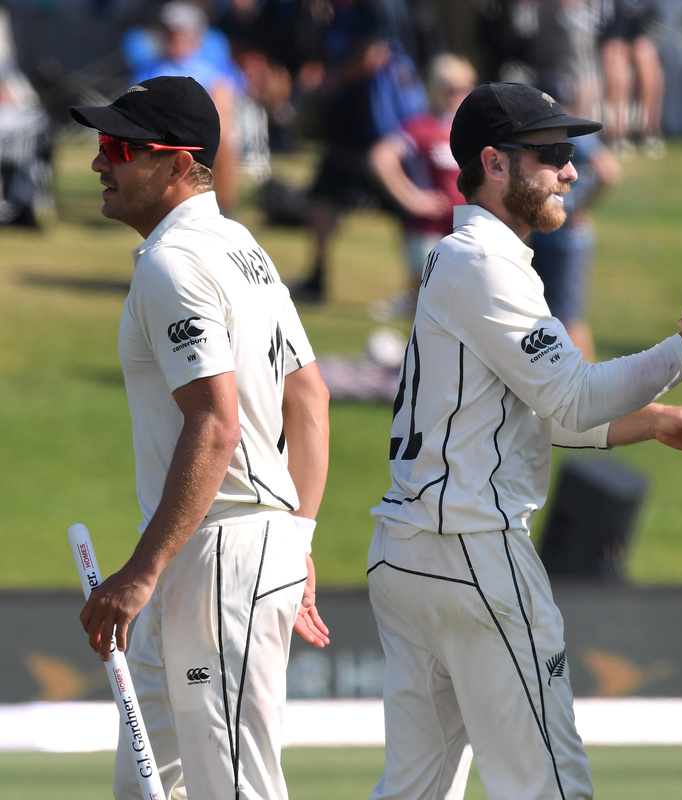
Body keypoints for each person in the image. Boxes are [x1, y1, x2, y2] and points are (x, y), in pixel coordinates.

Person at [365, 81, 682, 800]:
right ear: (494, 162)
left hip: (410, 552)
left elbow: (537, 411)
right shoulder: (484, 264)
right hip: (473, 548)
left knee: (414, 791)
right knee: (551, 786)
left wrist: (651, 419)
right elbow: (572, 394)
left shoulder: (466, 257)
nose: (572, 171)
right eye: (551, 154)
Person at [69, 76, 331, 800]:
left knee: (234, 788)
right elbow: (309, 397)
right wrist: (296, 537)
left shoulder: (173, 261)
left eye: (121, 148)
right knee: (146, 788)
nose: (99, 162)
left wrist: (141, 572)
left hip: (217, 556)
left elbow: (215, 424)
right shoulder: (242, 246)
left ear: (178, 164)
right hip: (217, 549)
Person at [290, 0, 428, 303]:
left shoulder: (373, 9)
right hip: (346, 132)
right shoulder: (331, 14)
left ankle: (420, 287)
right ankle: (317, 278)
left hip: (380, 130)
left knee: (406, 211)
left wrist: (333, 78)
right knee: (321, 198)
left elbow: (374, 54)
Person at [366, 52, 477, 321]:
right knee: (430, 306)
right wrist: (411, 197)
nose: (458, 95)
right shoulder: (423, 127)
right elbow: (381, 158)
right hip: (429, 231)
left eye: (464, 88)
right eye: (451, 88)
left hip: (468, 229)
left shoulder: (475, 131)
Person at [123, 0, 251, 216]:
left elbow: (236, 92)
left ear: (195, 35)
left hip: (204, 129)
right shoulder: (150, 68)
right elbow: (135, 102)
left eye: (180, 31)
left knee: (223, 112)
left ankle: (226, 206)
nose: (175, 37)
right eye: (170, 31)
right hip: (160, 130)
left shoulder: (211, 69)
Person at [529, 80, 623, 361]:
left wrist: (580, 208)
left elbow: (609, 171)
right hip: (553, 235)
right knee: (553, 314)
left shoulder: (567, 134)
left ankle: (585, 380)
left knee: (569, 318)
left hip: (565, 239)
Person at [597, 0, 665, 158]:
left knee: (648, 68)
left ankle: (648, 132)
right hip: (613, 14)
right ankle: (617, 134)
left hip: (641, 11)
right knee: (617, 72)